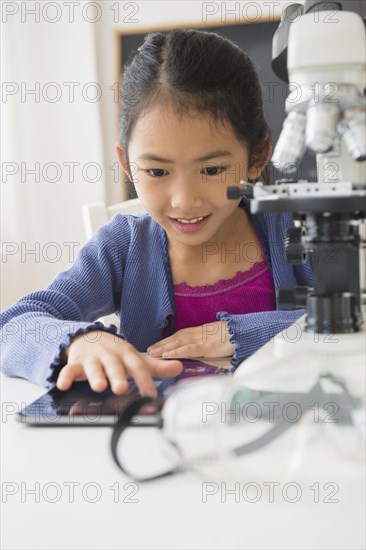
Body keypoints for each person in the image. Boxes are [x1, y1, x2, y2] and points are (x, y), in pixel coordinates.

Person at [0, 29, 312, 397]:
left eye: (211, 170)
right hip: (152, 443)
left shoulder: (298, 230)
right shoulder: (121, 247)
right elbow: (15, 325)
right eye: (158, 172)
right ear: (127, 165)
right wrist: (81, 341)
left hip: (284, 433)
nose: (184, 201)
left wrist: (241, 332)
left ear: (256, 157)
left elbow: (352, 323)